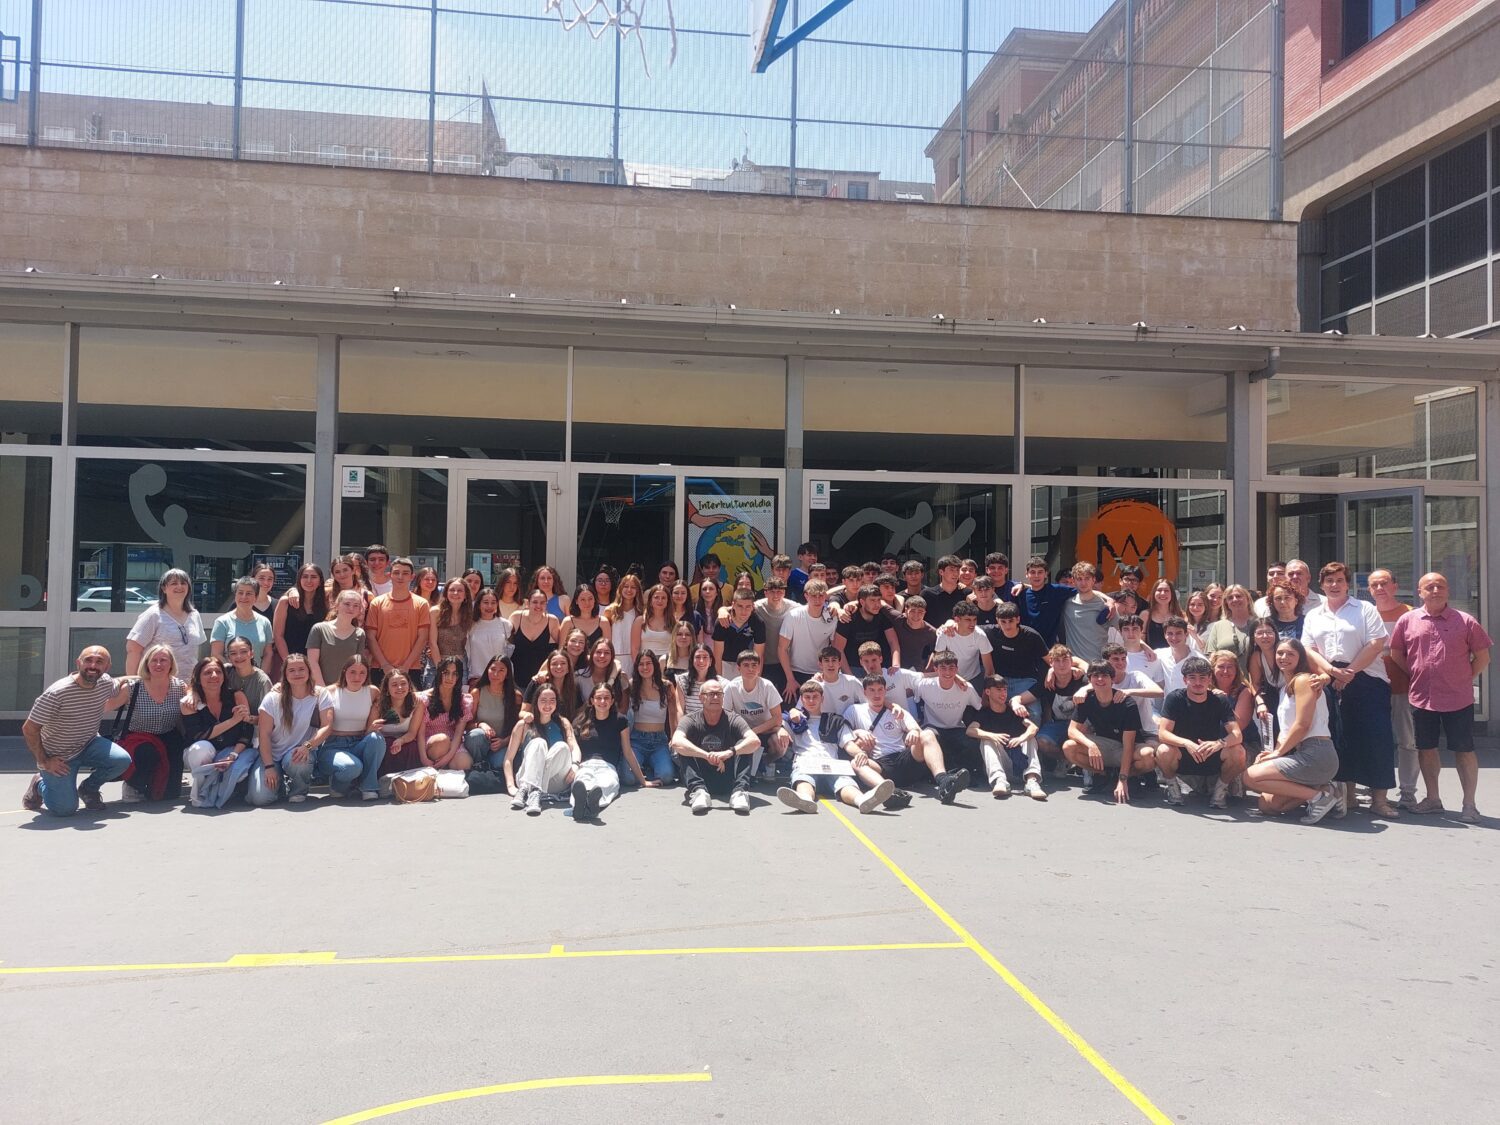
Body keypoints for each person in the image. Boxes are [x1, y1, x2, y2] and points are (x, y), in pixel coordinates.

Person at [1389, 572, 1492, 822]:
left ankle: (1469, 804)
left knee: (1464, 750)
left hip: (1458, 699)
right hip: (1422, 698)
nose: (1435, 590)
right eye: (1430, 587)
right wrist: (1415, 673)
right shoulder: (1407, 620)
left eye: (1440, 586)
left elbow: (1483, 657)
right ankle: (1433, 799)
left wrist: (1463, 678)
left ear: (1447, 590)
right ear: (1420, 592)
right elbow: (1396, 653)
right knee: (1426, 749)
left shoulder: (1465, 621)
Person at [1302, 562, 1397, 818]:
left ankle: (1379, 800)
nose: (1334, 585)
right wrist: (1333, 672)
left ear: (1347, 584)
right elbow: (1309, 649)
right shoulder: (1313, 615)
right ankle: (1349, 796)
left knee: (1377, 738)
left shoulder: (1365, 609)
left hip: (1367, 678)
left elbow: (1376, 643)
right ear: (1321, 585)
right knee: (1341, 738)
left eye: (1339, 580)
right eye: (1329, 581)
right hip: (1330, 678)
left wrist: (1351, 671)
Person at [21, 646, 135, 816]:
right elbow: (29, 728)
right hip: (59, 756)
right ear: (78, 663)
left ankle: (88, 789)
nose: (93, 666)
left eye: (99, 662)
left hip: (89, 744)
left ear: (107, 667)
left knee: (121, 760)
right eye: (88, 660)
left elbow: (120, 681)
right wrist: (45, 761)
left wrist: (147, 675)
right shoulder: (57, 693)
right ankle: (39, 784)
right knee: (64, 809)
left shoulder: (105, 682)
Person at [1242, 639, 1342, 823]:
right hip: (1301, 753)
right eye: (1280, 653)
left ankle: (1319, 798)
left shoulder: (1304, 680)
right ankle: (1328, 790)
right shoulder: (1284, 690)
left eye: (1290, 654)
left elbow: (1302, 724)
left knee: (1250, 776)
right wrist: (1273, 753)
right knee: (1268, 805)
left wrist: (1278, 753)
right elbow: (1285, 731)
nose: (1284, 657)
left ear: (1300, 657)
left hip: (1317, 754)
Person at [773, 679, 894, 815]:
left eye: (815, 697)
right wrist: (780, 729)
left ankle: (862, 800)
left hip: (832, 765)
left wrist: (859, 753)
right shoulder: (793, 720)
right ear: (802, 699)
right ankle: (805, 800)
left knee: (845, 783)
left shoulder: (835, 720)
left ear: (822, 698)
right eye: (807, 697)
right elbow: (776, 725)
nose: (811, 701)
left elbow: (848, 743)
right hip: (806, 763)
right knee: (803, 779)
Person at [845, 675, 968, 804]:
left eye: (880, 689)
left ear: (885, 690)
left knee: (927, 734)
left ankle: (943, 781)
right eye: (872, 690)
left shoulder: (897, 711)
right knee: (856, 763)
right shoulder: (854, 710)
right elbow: (843, 734)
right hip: (879, 765)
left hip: (904, 760)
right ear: (864, 692)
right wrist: (858, 732)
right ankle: (889, 793)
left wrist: (913, 731)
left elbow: (915, 728)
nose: (877, 694)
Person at [1154, 656, 1245, 809]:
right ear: (1185, 680)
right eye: (1192, 677)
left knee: (1238, 752)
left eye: (1202, 677)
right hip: (1183, 754)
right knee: (1163, 750)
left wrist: (1219, 744)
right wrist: (1186, 743)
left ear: (1209, 679)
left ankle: (1220, 791)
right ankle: (1172, 787)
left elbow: (1237, 735)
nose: (1198, 682)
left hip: (1211, 753)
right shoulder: (1174, 698)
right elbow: (1163, 733)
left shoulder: (1219, 700)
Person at [1367, 569, 1419, 812]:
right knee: (1375, 740)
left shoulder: (1410, 614)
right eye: (1374, 585)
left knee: (1407, 741)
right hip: (1372, 686)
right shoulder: (1366, 614)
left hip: (1402, 687)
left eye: (1384, 583)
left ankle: (1408, 792)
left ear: (1395, 586)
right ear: (1369, 590)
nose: (1380, 588)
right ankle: (1375, 789)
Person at [109, 642, 188, 802]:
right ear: (146, 664)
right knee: (147, 753)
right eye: (154, 660)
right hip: (138, 738)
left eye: (163, 660)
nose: (158, 664)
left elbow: (195, 699)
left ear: (171, 664)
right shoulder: (133, 687)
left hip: (168, 735)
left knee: (170, 795)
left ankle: (154, 785)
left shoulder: (180, 687)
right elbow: (105, 706)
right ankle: (133, 784)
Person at [1061, 661, 1145, 804]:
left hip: (1125, 747)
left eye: (1105, 675)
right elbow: (1072, 730)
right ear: (1090, 679)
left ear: (1112, 679)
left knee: (1147, 756)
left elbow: (1128, 745)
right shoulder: (1087, 699)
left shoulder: (1127, 703)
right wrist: (1091, 745)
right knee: (1069, 747)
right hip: (1103, 745)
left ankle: (1127, 777)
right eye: (1096, 675)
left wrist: (1122, 779)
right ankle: (1103, 774)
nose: (1100, 679)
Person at [671, 680, 759, 815]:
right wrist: (707, 756)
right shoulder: (691, 719)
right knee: (684, 745)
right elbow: (676, 741)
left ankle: (740, 792)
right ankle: (699, 792)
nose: (716, 697)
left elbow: (755, 741)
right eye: (711, 694)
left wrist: (729, 752)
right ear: (701, 698)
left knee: (746, 743)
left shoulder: (733, 718)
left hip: (728, 777)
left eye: (719, 694)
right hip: (700, 775)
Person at [306, 655, 388, 800]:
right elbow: (306, 691)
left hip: (359, 740)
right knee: (351, 767)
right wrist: (279, 687)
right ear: (344, 672)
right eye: (352, 672)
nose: (357, 677)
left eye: (362, 672)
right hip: (333, 745)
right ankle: (337, 786)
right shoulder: (330, 691)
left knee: (376, 738)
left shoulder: (373, 692)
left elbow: (370, 728)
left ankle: (368, 787)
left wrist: (372, 729)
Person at [247, 654, 322, 805]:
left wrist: (307, 746)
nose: (297, 673)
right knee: (260, 798)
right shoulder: (272, 698)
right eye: (291, 670)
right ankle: (280, 785)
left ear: (309, 671)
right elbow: (264, 734)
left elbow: (327, 726)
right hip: (271, 756)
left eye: (301, 669)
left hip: (298, 752)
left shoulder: (319, 694)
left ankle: (298, 790)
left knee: (298, 761)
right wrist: (269, 767)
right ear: (285, 675)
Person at [181, 655, 255, 809]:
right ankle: (201, 793)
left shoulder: (237, 696)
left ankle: (225, 789)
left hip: (232, 751)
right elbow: (199, 736)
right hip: (200, 753)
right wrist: (233, 721)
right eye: (207, 672)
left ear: (224, 676)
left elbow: (246, 732)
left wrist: (233, 755)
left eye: (218, 672)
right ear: (198, 677)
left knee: (239, 773)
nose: (214, 676)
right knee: (201, 749)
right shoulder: (190, 702)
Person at [571, 683, 652, 821]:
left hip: (607, 766)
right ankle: (582, 804)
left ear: (612, 700)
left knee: (608, 783)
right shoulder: (580, 721)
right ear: (592, 700)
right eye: (599, 698)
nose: (602, 701)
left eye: (606, 698)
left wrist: (643, 781)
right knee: (581, 781)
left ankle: (590, 803)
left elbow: (627, 751)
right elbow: (574, 749)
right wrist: (574, 766)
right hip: (585, 765)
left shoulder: (620, 720)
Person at [964, 674, 1045, 800]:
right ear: (988, 691)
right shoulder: (984, 713)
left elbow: (1033, 727)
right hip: (1000, 766)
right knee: (986, 740)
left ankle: (1032, 782)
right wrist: (992, 735)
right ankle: (1000, 781)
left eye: (1005, 690)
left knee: (1030, 737)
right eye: (998, 690)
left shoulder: (1013, 710)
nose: (1003, 694)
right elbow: (970, 730)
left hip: (1020, 764)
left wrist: (1021, 738)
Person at [504, 684, 581, 816]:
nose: (548, 705)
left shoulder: (563, 723)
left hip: (554, 781)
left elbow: (575, 748)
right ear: (536, 701)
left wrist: (575, 765)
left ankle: (534, 790)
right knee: (538, 742)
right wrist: (511, 786)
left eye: (552, 700)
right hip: (526, 779)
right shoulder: (524, 725)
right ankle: (531, 790)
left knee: (562, 747)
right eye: (543, 700)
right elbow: (508, 759)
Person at [125, 568, 205, 676]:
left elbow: (196, 650)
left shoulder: (194, 615)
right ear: (164, 588)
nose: (179, 586)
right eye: (174, 583)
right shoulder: (153, 615)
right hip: (157, 681)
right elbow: (133, 649)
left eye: (183, 583)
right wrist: (133, 680)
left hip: (189, 681)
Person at [365, 558, 431, 687]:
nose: (400, 577)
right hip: (380, 668)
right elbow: (371, 637)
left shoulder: (421, 604)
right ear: (390, 575)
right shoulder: (377, 603)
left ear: (412, 577)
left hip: (411, 668)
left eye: (405, 573)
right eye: (396, 573)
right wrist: (385, 665)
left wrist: (406, 666)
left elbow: (423, 637)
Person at [723, 650, 784, 778]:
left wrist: (753, 731)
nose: (750, 669)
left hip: (765, 730)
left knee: (780, 744)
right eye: (746, 665)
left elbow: (777, 718)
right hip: (741, 732)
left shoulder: (767, 686)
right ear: (738, 668)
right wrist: (743, 732)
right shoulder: (731, 687)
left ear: (759, 667)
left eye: (754, 665)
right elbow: (725, 716)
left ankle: (766, 762)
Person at [778, 579, 837, 701]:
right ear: (806, 596)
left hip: (821, 672)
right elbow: (782, 649)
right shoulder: (793, 616)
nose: (817, 600)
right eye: (813, 596)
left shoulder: (832, 617)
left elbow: (835, 648)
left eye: (821, 596)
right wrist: (790, 679)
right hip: (795, 671)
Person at [627, 650, 679, 786]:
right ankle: (643, 768)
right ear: (636, 667)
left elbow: (673, 714)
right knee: (628, 778)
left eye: (648, 663)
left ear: (655, 665)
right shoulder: (632, 685)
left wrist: (673, 737)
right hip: (637, 740)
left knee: (666, 777)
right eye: (641, 664)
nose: (645, 667)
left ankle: (650, 766)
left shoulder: (666, 686)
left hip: (659, 741)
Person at [418, 656, 479, 770]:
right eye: (446, 673)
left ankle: (445, 767)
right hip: (431, 742)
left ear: (458, 677)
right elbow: (420, 733)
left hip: (453, 743)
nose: (450, 678)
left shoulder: (463, 700)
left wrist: (448, 757)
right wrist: (423, 758)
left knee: (464, 763)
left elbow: (458, 734)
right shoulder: (425, 698)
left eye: (454, 674)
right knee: (442, 740)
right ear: (439, 674)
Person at [1033, 644, 1085, 766]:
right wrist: (1016, 702)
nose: (1061, 664)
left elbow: (1101, 680)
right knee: (1041, 742)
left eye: (1065, 660)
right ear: (1051, 662)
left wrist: (1086, 688)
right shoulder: (1048, 682)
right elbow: (1025, 696)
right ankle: (1067, 761)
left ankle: (1086, 768)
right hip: (1058, 723)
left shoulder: (1081, 679)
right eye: (1057, 660)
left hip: (1082, 724)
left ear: (1072, 661)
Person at [307, 588, 367, 689]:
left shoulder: (360, 634)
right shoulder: (319, 629)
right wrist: (324, 690)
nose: (351, 608)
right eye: (347, 604)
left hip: (346, 690)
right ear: (337, 605)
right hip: (321, 689)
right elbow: (312, 662)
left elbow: (357, 666)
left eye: (356, 605)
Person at [468, 656, 520, 771]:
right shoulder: (477, 692)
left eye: (501, 670)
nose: (495, 674)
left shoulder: (515, 696)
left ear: (507, 674)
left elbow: (519, 728)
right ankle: (478, 765)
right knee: (475, 736)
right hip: (480, 742)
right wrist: (480, 724)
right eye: (493, 669)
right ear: (487, 670)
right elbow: (467, 724)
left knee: (500, 762)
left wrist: (504, 742)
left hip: (501, 744)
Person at [273, 563, 327, 673]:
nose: (309, 580)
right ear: (299, 579)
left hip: (317, 664)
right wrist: (288, 662)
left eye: (313, 577)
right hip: (290, 661)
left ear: (320, 581)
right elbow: (278, 636)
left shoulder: (326, 604)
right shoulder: (285, 602)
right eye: (305, 576)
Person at [213, 576, 275, 670]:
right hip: (230, 676)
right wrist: (233, 673)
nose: (244, 597)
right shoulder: (222, 622)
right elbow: (216, 654)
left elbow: (268, 654)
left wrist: (261, 674)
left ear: (256, 597)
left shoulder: (265, 622)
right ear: (235, 595)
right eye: (240, 593)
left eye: (249, 593)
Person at [373, 668, 426, 774]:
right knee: (386, 745)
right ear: (387, 689)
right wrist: (373, 727)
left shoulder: (417, 702)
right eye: (394, 685)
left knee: (412, 746)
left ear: (409, 686)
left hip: (405, 740)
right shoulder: (378, 704)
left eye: (403, 683)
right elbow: (368, 732)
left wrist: (400, 741)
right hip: (383, 743)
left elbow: (412, 733)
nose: (400, 688)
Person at [507, 589, 561, 686]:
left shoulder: (552, 620)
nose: (538, 606)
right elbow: (506, 643)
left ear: (546, 604)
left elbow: (561, 648)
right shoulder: (516, 617)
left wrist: (547, 669)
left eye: (542, 603)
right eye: (535, 602)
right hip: (515, 678)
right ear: (528, 603)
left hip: (540, 679)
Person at [931, 600, 994, 680]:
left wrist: (988, 686)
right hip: (950, 677)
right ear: (957, 619)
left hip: (974, 677)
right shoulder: (945, 633)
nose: (972, 624)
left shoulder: (980, 635)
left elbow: (989, 669)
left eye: (974, 619)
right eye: (968, 620)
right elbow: (938, 661)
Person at [429, 578, 474, 683]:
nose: (455, 593)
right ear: (446, 593)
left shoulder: (469, 614)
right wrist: (441, 669)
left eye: (460, 590)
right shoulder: (436, 612)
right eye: (452, 590)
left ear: (465, 595)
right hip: (437, 664)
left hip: (460, 666)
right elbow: (432, 643)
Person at [753, 576, 793, 695]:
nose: (776, 595)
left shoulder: (793, 608)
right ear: (765, 592)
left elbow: (814, 604)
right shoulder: (756, 607)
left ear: (784, 592)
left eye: (779, 591)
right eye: (772, 592)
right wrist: (722, 610)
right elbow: (735, 608)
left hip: (785, 663)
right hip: (763, 662)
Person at [1202, 585, 1256, 671]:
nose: (1235, 599)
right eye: (1230, 598)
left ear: (1248, 599)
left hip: (1254, 678)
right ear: (1226, 603)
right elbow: (1212, 657)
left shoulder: (1259, 624)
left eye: (1238, 596)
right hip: (1226, 677)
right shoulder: (1218, 626)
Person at [466, 587, 511, 688]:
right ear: (478, 604)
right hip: (476, 678)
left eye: (493, 602)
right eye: (486, 602)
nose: (489, 606)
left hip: (499, 679)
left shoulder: (506, 624)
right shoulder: (470, 625)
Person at [715, 588, 767, 670]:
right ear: (733, 605)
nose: (744, 611)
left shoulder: (758, 623)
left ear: (753, 606)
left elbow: (758, 655)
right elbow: (717, 655)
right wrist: (718, 676)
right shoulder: (722, 620)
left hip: (747, 663)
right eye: (740, 606)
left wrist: (756, 676)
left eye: (748, 607)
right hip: (725, 663)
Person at [223, 635, 273, 718]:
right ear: (228, 657)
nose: (239, 656)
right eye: (233, 653)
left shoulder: (263, 681)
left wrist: (248, 719)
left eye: (243, 652)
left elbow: (269, 716)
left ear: (251, 654)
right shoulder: (224, 671)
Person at [674, 642, 726, 717]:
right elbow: (679, 709)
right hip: (689, 722)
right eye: (698, 657)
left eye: (705, 657)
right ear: (692, 660)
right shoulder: (682, 680)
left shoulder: (722, 683)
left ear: (711, 661)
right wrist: (681, 724)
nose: (701, 661)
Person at [603, 572, 644, 662]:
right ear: (621, 588)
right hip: (614, 656)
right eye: (626, 586)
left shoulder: (641, 612)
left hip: (635, 657)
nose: (629, 590)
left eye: (633, 587)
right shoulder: (610, 610)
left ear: (638, 591)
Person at [632, 583, 676, 664]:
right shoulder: (640, 621)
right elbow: (635, 648)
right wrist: (638, 666)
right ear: (650, 600)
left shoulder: (674, 622)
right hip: (646, 663)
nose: (660, 601)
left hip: (667, 663)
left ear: (668, 601)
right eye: (656, 597)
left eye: (663, 598)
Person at [893, 594, 938, 671]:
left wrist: (927, 670)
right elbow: (883, 604)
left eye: (920, 612)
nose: (916, 615)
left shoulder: (932, 632)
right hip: (896, 669)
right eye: (912, 611)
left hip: (918, 671)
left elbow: (937, 651)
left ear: (925, 613)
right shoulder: (898, 620)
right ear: (906, 610)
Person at [577, 637, 628, 705]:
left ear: (612, 656)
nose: (602, 656)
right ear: (592, 654)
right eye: (598, 652)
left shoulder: (621, 677)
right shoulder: (580, 677)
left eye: (607, 653)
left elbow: (623, 707)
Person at [919, 555, 967, 624]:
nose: (956, 573)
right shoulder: (927, 594)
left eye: (957, 570)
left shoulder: (967, 594)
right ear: (941, 572)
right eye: (952, 570)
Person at [1144, 579, 1184, 649]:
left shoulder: (1180, 615)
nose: (1162, 593)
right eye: (1159, 590)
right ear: (1154, 593)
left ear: (1172, 594)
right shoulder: (1146, 615)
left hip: (1174, 655)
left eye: (1166, 590)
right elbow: (1139, 639)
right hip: (1151, 655)